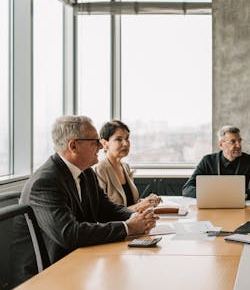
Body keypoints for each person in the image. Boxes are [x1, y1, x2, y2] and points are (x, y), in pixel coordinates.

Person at [13, 116, 158, 284]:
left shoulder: (86, 173)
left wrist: (136, 218)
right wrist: (128, 228)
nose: (100, 146)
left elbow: (105, 209)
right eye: (94, 141)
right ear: (73, 145)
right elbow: (69, 234)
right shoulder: (45, 182)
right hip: (49, 274)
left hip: (79, 260)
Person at [182, 125, 250, 200]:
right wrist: (213, 195)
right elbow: (187, 189)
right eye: (233, 142)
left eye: (239, 141)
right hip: (213, 207)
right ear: (221, 144)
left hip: (239, 206)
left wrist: (241, 194)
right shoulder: (208, 161)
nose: (239, 145)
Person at [95, 120, 161, 212]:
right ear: (105, 143)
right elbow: (103, 213)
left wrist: (147, 201)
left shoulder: (125, 167)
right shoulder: (99, 170)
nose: (126, 144)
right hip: (117, 225)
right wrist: (140, 206)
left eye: (127, 138)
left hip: (133, 223)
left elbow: (129, 204)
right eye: (119, 139)